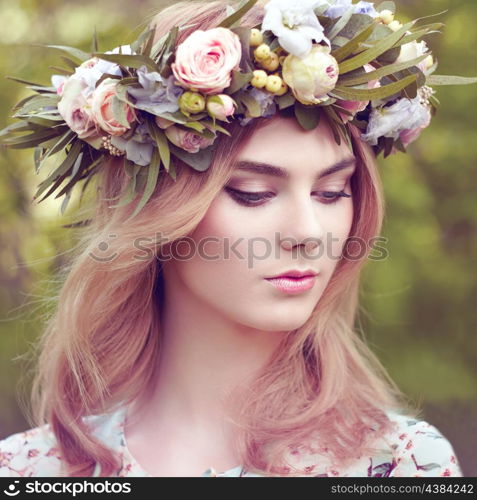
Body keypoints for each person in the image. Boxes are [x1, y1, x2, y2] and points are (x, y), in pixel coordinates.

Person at [0, 0, 469, 478]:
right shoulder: (29, 470)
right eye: (254, 193)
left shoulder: (403, 465)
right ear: (155, 214)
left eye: (332, 192)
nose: (308, 233)